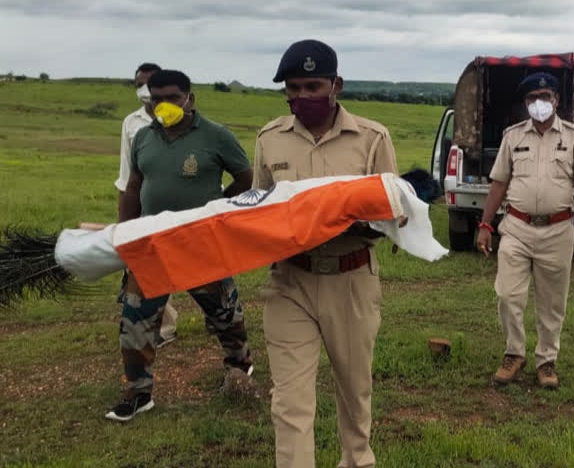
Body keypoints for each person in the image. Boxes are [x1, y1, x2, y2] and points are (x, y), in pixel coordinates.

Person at [253, 40, 398, 468]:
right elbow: (258, 205)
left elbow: (390, 213)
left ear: (337, 84)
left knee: (355, 393)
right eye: (293, 89)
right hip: (290, 282)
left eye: (313, 86)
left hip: (351, 279)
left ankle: (357, 460)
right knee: (289, 403)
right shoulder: (270, 138)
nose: (303, 98)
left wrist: (349, 218)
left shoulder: (372, 139)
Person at [106, 69, 255, 421]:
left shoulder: (216, 136)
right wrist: (127, 233)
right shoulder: (143, 136)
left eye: (172, 98)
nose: (163, 106)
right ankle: (138, 392)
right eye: (156, 99)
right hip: (151, 244)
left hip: (200, 242)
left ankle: (239, 366)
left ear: (190, 98)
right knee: (135, 320)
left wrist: (217, 207)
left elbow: (246, 177)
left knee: (223, 313)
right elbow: (132, 187)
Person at [476, 72, 574, 390]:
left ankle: (546, 361)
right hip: (516, 227)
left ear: (556, 100)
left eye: (545, 97)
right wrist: (484, 224)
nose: (539, 103)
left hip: (558, 230)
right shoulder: (513, 136)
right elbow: (498, 184)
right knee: (507, 295)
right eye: (532, 99)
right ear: (525, 104)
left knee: (552, 302)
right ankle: (514, 353)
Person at [115, 62, 178, 348]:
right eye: (139, 83)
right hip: (143, 205)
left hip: (179, 206)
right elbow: (127, 175)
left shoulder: (181, 117)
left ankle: (221, 319)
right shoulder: (132, 123)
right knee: (149, 264)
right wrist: (124, 221)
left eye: (149, 82)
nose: (144, 88)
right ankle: (162, 326)